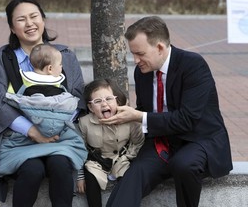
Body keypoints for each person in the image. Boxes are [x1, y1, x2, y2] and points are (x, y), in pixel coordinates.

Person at [100, 16, 233, 207]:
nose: (135, 60)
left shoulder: (193, 65)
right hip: (162, 142)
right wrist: (121, 114)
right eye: (133, 54)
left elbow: (187, 119)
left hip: (198, 138)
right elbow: (147, 111)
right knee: (135, 173)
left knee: (183, 164)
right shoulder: (142, 71)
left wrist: (138, 116)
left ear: (160, 48)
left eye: (140, 53)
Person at [0, 0, 87, 207]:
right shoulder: (4, 59)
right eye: (21, 19)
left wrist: (54, 126)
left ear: (43, 19)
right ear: (12, 28)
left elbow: (78, 98)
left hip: (60, 136)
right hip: (18, 139)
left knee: (60, 166)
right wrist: (33, 131)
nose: (30, 23)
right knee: (32, 170)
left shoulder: (65, 56)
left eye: (34, 16)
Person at [76, 79, 144, 207]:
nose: (104, 104)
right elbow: (79, 149)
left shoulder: (129, 119)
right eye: (97, 101)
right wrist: (80, 177)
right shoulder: (84, 123)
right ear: (90, 107)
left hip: (122, 160)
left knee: (129, 179)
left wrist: (127, 156)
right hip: (97, 162)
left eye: (109, 99)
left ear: (117, 101)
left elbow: (138, 142)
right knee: (90, 177)